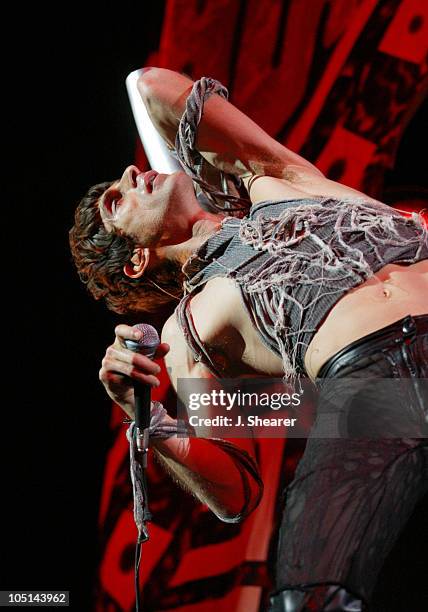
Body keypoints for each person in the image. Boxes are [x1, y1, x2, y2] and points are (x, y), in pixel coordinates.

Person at [70, 68, 428, 611]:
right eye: (117, 203)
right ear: (137, 260)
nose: (129, 173)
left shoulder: (276, 179)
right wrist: (151, 421)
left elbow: (149, 86)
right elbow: (235, 491)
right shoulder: (189, 327)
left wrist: (200, 179)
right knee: (311, 596)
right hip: (375, 395)